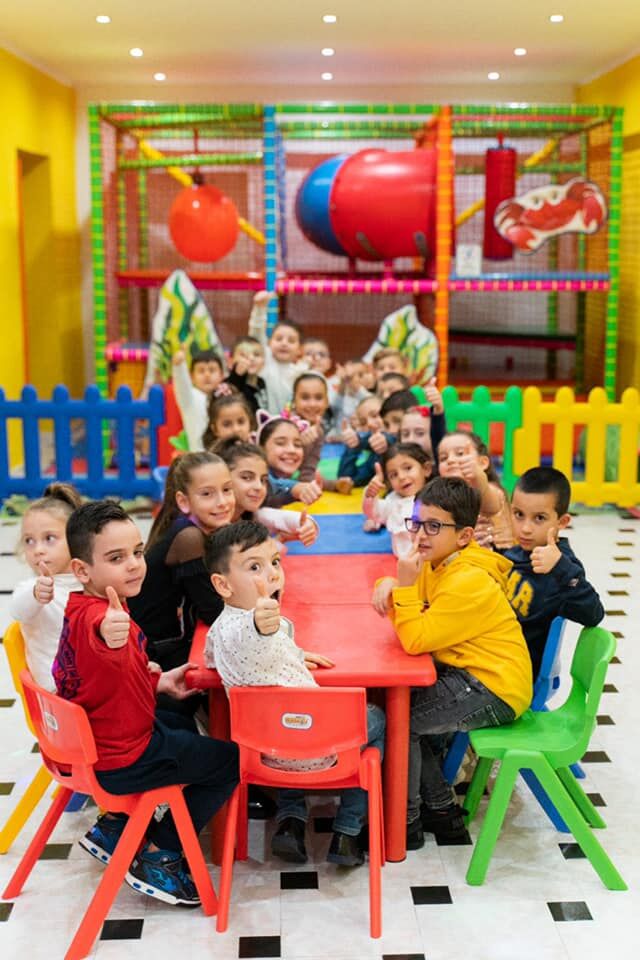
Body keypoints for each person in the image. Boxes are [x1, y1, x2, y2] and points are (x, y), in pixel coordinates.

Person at [53, 500, 238, 906]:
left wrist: (158, 681)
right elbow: (105, 638)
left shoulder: (79, 607)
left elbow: (104, 680)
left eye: (137, 552)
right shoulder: (103, 620)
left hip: (99, 746)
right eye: (116, 558)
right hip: (123, 759)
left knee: (181, 723)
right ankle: (162, 854)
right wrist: (112, 632)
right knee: (230, 762)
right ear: (82, 570)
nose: (135, 565)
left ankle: (116, 827)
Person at [204, 520, 385, 867]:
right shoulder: (255, 626)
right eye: (254, 567)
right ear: (222, 584)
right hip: (320, 750)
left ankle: (291, 820)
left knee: (286, 724)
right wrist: (262, 625)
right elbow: (254, 636)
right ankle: (348, 830)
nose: (272, 573)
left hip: (264, 753)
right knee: (376, 717)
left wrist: (293, 653)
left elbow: (213, 657)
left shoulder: (219, 629)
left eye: (275, 562)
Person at [371, 477, 532, 849]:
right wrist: (388, 584)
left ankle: (406, 822)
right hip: (468, 674)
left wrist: (402, 587)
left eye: (433, 526)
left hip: (493, 687)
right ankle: (442, 811)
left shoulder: (468, 580)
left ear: (464, 536)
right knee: (400, 710)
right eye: (417, 523)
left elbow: (416, 639)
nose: (420, 535)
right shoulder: (439, 561)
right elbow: (414, 606)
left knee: (400, 722)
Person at [128, 452, 234, 688]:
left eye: (227, 490)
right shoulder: (189, 538)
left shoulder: (197, 528)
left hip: (169, 643)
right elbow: (214, 611)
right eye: (207, 494)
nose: (222, 502)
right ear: (184, 501)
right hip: (152, 656)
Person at [501, 466, 605, 678]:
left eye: (539, 518)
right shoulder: (516, 552)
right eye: (519, 515)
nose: (525, 528)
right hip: (493, 651)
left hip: (517, 672)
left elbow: (594, 614)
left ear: (562, 522)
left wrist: (560, 567)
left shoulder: (561, 566)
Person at [9, 483, 83, 690]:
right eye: (29, 541)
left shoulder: (88, 580)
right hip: (57, 694)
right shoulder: (31, 588)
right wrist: (35, 594)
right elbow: (18, 609)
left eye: (49, 538)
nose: (38, 550)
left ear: (75, 539)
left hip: (89, 685)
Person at [215, 438, 319, 547]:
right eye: (247, 477)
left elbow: (282, 518)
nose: (259, 487)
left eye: (263, 480)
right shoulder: (209, 521)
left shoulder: (253, 516)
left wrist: (306, 524)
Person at [437, 429, 513, 548]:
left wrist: (478, 477)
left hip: (498, 556)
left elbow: (487, 500)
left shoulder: (493, 490)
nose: (450, 460)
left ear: (483, 463)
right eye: (443, 458)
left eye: (460, 454)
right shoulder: (441, 499)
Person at [362, 443, 433, 556]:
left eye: (408, 468)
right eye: (393, 475)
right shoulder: (392, 501)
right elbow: (372, 513)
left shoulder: (437, 497)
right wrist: (370, 494)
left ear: (426, 469)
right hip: (402, 561)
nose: (401, 477)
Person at [248, 293, 307, 414]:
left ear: (299, 350)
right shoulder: (265, 360)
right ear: (269, 343)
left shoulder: (301, 372)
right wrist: (259, 308)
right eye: (279, 339)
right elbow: (256, 333)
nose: (284, 343)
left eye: (291, 341)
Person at [258, 414, 323, 507]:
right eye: (280, 443)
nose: (292, 450)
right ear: (261, 448)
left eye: (297, 445)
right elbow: (270, 485)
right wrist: (295, 488)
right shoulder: (258, 477)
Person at [172, 348, 226, 451]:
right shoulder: (189, 398)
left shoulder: (226, 397)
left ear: (222, 375)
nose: (207, 375)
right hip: (198, 456)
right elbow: (181, 382)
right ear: (192, 376)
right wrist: (179, 366)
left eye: (212, 370)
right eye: (201, 371)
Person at [336, 395, 394, 491]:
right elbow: (348, 478)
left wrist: (387, 440)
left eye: (375, 415)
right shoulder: (373, 459)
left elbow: (396, 439)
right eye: (363, 422)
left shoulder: (403, 440)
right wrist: (353, 445)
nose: (370, 423)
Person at [224, 334, 267, 413]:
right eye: (243, 355)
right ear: (230, 361)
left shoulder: (261, 382)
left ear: (264, 361)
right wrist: (237, 376)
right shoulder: (227, 385)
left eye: (256, 355)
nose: (251, 358)